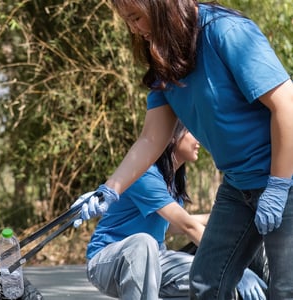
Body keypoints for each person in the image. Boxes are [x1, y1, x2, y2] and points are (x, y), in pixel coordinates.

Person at [73, 1, 293, 298]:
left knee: (285, 287)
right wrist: (109, 190)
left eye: (137, 18)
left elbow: (286, 106)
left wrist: (279, 185)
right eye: (128, 22)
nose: (135, 29)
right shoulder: (165, 58)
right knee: (206, 283)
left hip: (284, 177)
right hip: (238, 185)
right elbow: (151, 139)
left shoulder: (225, 32)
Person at [74, 122, 268, 299]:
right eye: (192, 132)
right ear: (173, 136)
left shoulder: (175, 179)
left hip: (155, 259)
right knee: (144, 242)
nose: (199, 140)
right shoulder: (145, 174)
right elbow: (186, 225)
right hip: (106, 260)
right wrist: (235, 269)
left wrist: (218, 220)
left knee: (208, 276)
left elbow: (171, 226)